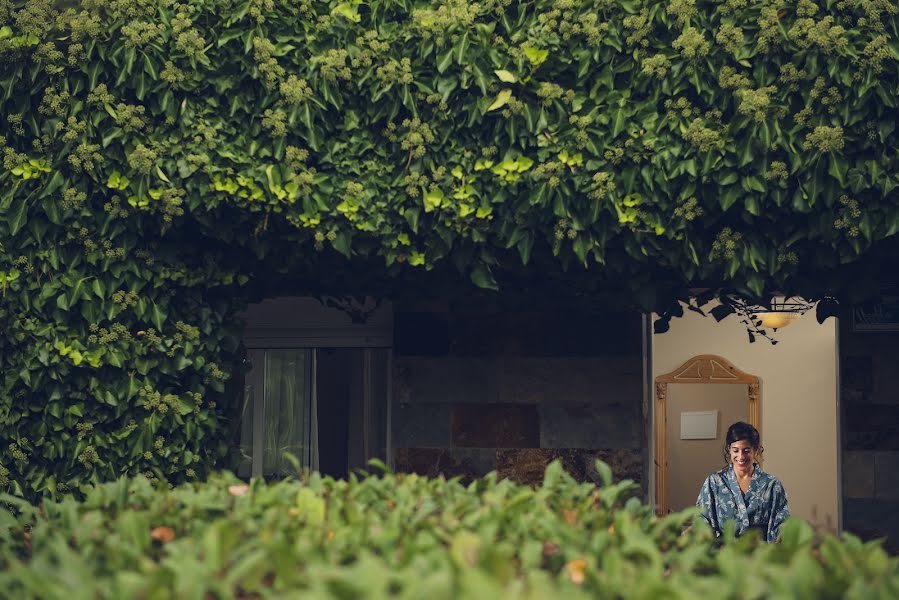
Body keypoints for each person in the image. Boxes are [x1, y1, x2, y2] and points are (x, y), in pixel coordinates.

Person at [696, 421, 790, 543]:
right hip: (724, 555)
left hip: (760, 556)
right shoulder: (714, 482)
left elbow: (782, 522)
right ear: (729, 450)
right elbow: (702, 520)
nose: (741, 457)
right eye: (736, 450)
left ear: (755, 450)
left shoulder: (772, 485)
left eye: (746, 451)